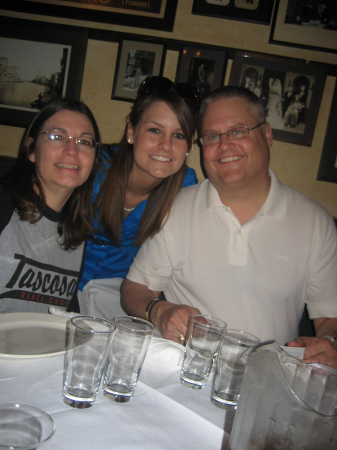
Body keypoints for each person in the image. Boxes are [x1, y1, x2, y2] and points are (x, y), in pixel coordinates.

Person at [121, 86, 337, 369]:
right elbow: (133, 289)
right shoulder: (174, 207)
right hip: (181, 374)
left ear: (267, 134)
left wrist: (330, 343)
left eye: (238, 131)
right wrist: (159, 310)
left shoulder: (316, 223)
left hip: (265, 382)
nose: (224, 145)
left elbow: (329, 315)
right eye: (212, 136)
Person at [71, 76, 199, 319]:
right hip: (61, 284)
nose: (165, 145)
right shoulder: (93, 168)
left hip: (118, 302)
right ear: (131, 131)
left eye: (179, 135)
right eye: (154, 130)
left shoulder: (187, 186)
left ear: (189, 145)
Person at [0, 98, 101, 313]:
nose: (72, 150)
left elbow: (65, 312)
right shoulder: (4, 204)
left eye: (84, 142)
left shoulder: (77, 232)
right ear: (31, 149)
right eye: (57, 137)